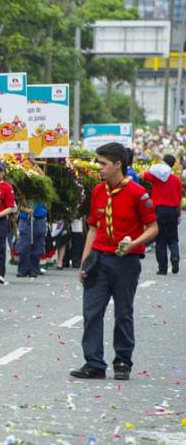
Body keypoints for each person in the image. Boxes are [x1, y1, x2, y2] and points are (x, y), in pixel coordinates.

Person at [71, 142, 158, 381]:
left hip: (125, 261)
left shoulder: (138, 193)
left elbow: (153, 227)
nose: (98, 167)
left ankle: (122, 361)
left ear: (118, 164)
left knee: (123, 313)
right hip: (98, 259)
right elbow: (93, 228)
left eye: (103, 163)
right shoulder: (98, 191)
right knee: (91, 312)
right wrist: (84, 261)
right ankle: (94, 362)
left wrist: (134, 243)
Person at [140, 154, 182, 274]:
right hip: (172, 211)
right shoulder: (176, 179)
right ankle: (175, 256)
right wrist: (178, 214)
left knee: (161, 239)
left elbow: (142, 175)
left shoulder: (157, 177)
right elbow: (179, 198)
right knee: (173, 238)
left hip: (158, 210)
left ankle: (162, 268)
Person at [17, 202, 48, 278]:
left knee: (38, 245)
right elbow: (16, 203)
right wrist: (25, 209)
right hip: (25, 219)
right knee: (24, 244)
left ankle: (34, 269)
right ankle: (23, 269)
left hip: (39, 218)